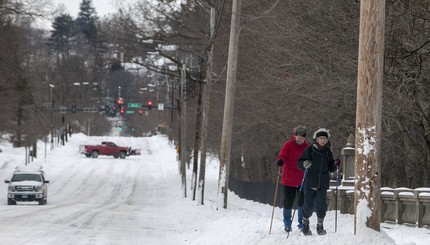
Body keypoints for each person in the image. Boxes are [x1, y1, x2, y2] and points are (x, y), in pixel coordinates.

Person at [297, 128, 341, 236]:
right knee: (308, 205)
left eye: (325, 138)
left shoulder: (328, 152)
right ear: (316, 139)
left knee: (321, 205)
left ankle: (320, 226)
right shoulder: (310, 149)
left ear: (327, 140)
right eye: (320, 138)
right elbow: (300, 162)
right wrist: (305, 164)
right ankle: (305, 223)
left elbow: (331, 167)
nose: (322, 140)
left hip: (323, 182)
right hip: (310, 181)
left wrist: (336, 164)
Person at [276, 125, 309, 233]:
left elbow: (310, 159)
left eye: (302, 138)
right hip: (289, 178)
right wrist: (280, 160)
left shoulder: (307, 147)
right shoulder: (288, 145)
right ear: (294, 136)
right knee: (288, 202)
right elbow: (282, 156)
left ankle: (301, 224)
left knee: (301, 202)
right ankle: (287, 223)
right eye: (299, 137)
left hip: (302, 178)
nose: (300, 139)